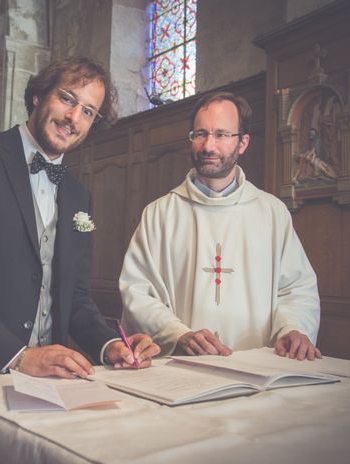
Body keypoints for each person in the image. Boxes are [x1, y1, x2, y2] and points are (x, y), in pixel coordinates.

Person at [0, 56, 160, 404]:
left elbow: (76, 298)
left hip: (44, 388)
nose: (74, 118)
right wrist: (18, 355)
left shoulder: (78, 195)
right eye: (67, 99)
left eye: (88, 111)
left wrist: (110, 345)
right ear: (39, 96)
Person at [119, 91, 321, 361]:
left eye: (222, 135)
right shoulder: (160, 214)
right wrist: (177, 333)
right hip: (181, 369)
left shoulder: (272, 213)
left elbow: (296, 288)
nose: (208, 146)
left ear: (243, 143)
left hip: (257, 368)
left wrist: (294, 328)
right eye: (200, 134)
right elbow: (137, 291)